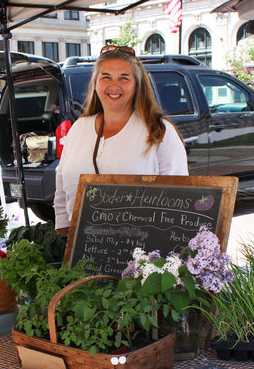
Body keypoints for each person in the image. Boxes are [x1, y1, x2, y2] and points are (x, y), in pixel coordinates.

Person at [53, 45, 188, 233]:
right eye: (105, 77)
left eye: (124, 78)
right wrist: (64, 236)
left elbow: (178, 197)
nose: (114, 86)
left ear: (137, 84)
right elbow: (61, 189)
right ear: (95, 83)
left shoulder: (159, 131)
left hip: (140, 250)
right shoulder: (78, 128)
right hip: (80, 248)